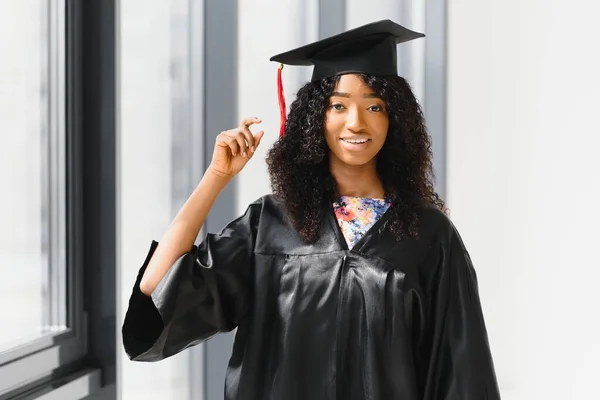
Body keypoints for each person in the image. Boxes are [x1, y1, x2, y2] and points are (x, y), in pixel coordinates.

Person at [122, 19, 501, 400]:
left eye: (375, 106)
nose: (356, 122)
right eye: (339, 105)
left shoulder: (429, 235)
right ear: (316, 116)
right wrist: (216, 177)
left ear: (395, 120)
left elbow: (464, 375)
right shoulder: (270, 226)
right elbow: (158, 295)